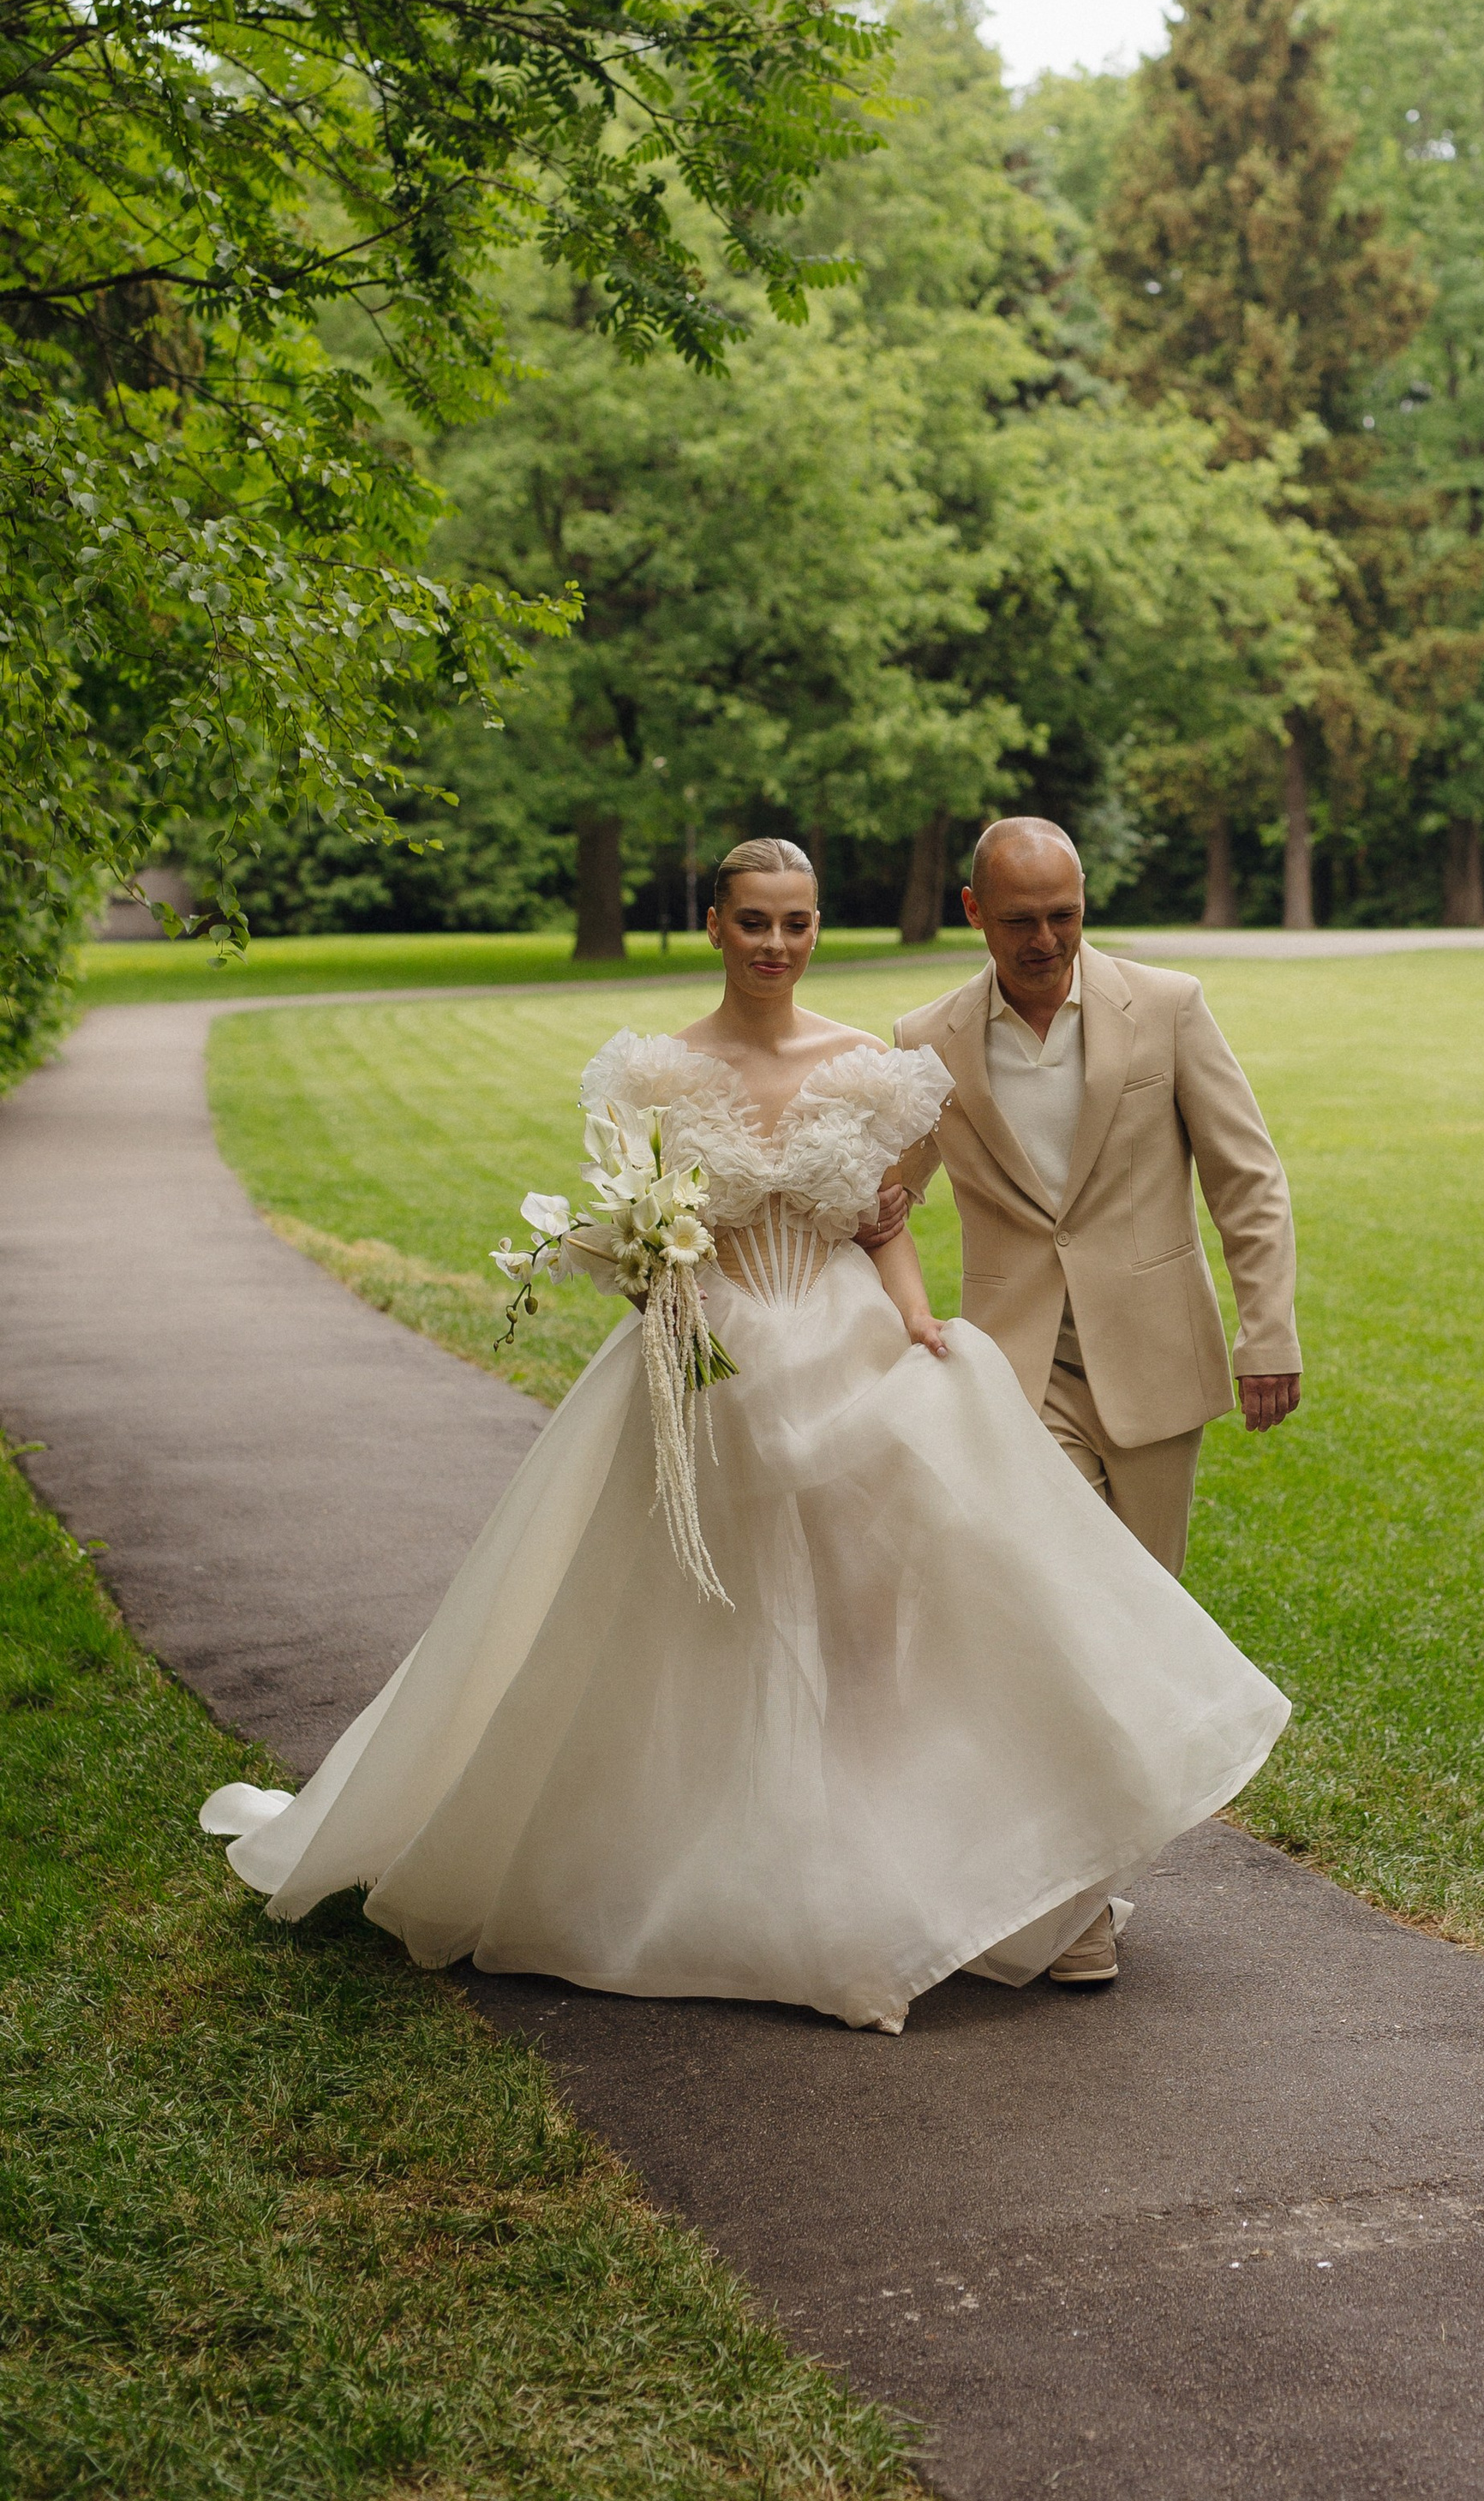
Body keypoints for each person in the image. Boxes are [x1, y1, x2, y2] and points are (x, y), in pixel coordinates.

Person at [200, 839, 1288, 2037]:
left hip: (857, 1358)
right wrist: (647, 1270)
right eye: (756, 921)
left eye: (799, 922)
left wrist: (920, 1322)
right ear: (715, 925)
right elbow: (640, 1223)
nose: (778, 943)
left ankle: (920, 1876)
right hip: (706, 1367)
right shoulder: (665, 1073)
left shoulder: (877, 1061)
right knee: (686, 1632)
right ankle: (699, 1864)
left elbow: (883, 1217)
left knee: (891, 1632)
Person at [890, 816, 1301, 1989]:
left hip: (1158, 1365)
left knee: (1135, 1643)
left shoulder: (1165, 1007)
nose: (1048, 939)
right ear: (976, 913)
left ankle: (1086, 1876)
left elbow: (1247, 1177)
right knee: (1052, 1631)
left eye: (1065, 914)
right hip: (1018, 1381)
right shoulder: (927, 1043)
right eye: (1021, 919)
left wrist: (1268, 1329)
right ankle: (1067, 1916)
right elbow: (880, 1199)